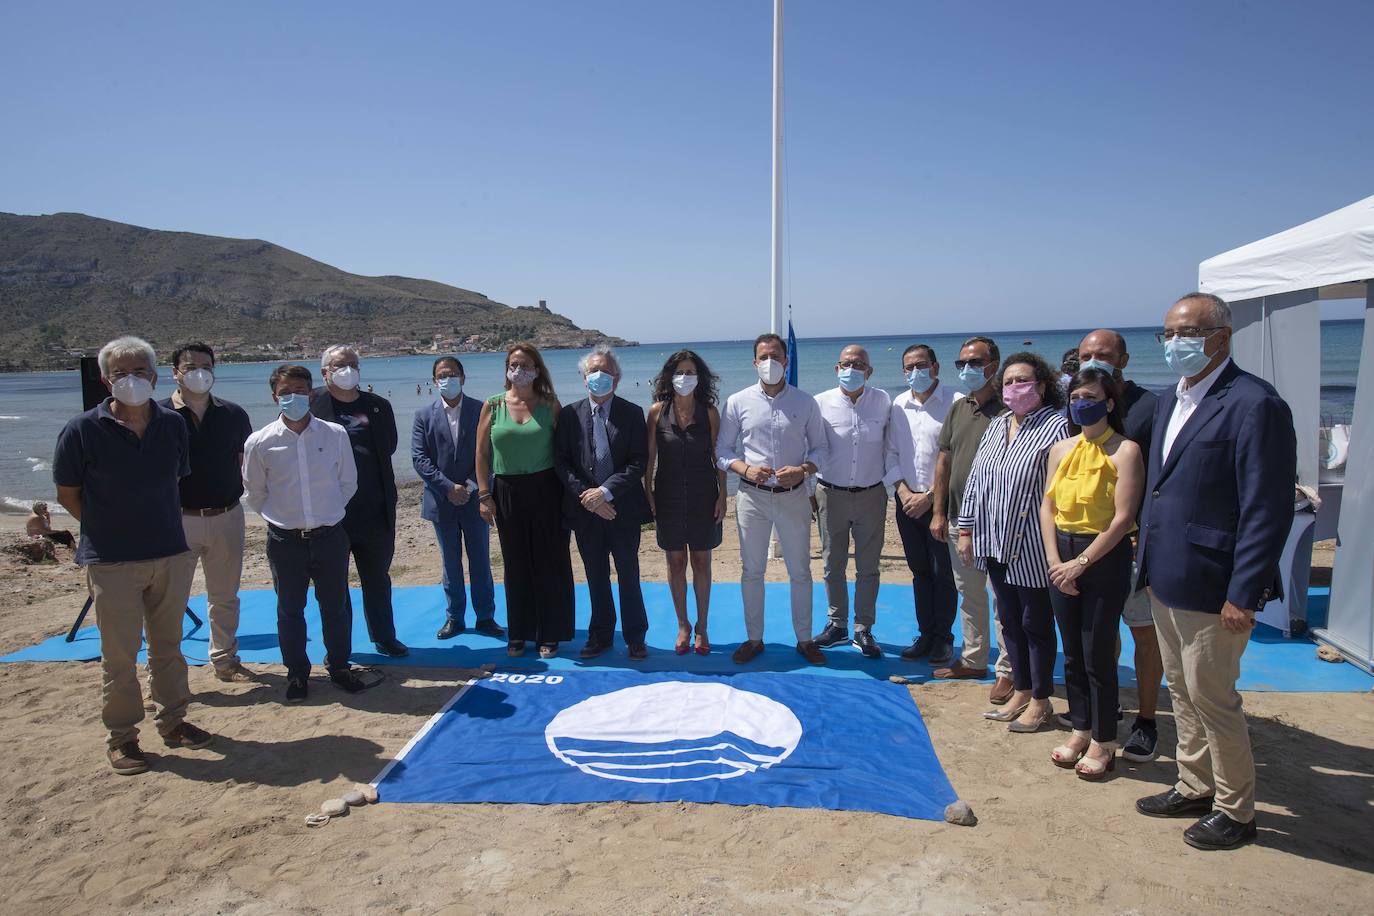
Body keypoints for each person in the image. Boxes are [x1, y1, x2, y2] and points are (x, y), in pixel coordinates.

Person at [1133, 293, 1296, 851]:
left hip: (1213, 585)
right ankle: (1195, 784)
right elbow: (1161, 488)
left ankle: (1237, 809)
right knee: (1182, 690)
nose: (1174, 344)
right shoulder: (1171, 400)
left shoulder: (1254, 403)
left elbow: (1266, 508)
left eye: (1186, 332)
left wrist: (1243, 592)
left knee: (1214, 697)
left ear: (1220, 337)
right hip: (1165, 576)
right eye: (1168, 333)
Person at [52, 336, 215, 774]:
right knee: (120, 655)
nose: (132, 380)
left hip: (168, 552)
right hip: (112, 559)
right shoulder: (82, 429)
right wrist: (106, 525)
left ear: (156, 376)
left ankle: (174, 721)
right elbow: (68, 492)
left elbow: (174, 478)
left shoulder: (171, 425)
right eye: (121, 373)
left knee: (168, 646)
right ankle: (123, 737)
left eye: (139, 371)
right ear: (106, 380)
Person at [244, 364, 373, 702]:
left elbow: (348, 482)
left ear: (311, 393)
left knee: (336, 607)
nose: (294, 397)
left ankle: (340, 667)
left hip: (330, 536)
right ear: (275, 396)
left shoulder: (335, 434)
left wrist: (326, 514)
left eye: (300, 391)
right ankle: (297, 673)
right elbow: (254, 493)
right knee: (289, 609)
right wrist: (285, 518)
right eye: (286, 392)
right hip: (285, 541)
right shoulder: (259, 442)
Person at [958, 352, 1070, 733]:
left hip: (1033, 545)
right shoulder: (998, 424)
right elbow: (975, 479)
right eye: (1007, 381)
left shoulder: (1057, 427)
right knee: (1008, 620)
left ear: (1041, 385)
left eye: (1022, 380)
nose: (1013, 388)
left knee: (1035, 623)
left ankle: (1041, 699)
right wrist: (966, 529)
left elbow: (1061, 490)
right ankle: (1021, 689)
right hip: (993, 541)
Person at [1040, 368, 1143, 778]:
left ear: (1109, 403)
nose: (1081, 403)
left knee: (1097, 651)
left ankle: (1104, 739)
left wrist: (1080, 564)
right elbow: (1048, 507)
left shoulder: (1125, 450)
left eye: (1090, 396)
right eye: (1075, 396)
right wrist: (1054, 561)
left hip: (1101, 556)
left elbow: (1122, 519)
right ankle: (1080, 727)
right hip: (1059, 556)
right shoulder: (1061, 449)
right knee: (1072, 654)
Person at [716, 333, 829, 665]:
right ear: (754, 362)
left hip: (793, 496)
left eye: (776, 357)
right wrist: (745, 469)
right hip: (752, 497)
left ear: (786, 361)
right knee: (752, 570)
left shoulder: (805, 402)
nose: (770, 363)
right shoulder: (737, 402)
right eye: (764, 357)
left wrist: (804, 469)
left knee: (801, 571)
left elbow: (821, 449)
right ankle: (754, 639)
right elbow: (722, 450)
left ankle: (805, 640)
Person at [1077, 328, 1163, 762]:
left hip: (1134, 544)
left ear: (1124, 360)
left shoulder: (1152, 405)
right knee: (1101, 636)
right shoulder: (1077, 403)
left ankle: (1147, 720)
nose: (1095, 359)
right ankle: (1104, 709)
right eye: (1086, 353)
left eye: (1104, 354)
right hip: (1089, 546)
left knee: (1144, 634)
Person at [160, 342, 255, 683]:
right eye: (191, 366)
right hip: (177, 520)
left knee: (225, 596)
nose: (199, 372)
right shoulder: (158, 416)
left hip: (227, 515)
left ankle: (225, 661)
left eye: (206, 366)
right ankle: (164, 672)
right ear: (175, 373)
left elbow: (246, 463)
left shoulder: (233, 414)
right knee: (169, 601)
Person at [476, 343, 576, 658]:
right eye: (514, 364)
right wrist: (483, 493)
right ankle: (518, 633)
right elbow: (481, 452)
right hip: (506, 490)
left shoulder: (550, 404)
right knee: (515, 563)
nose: (519, 370)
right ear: (507, 368)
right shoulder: (492, 405)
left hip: (547, 489)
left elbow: (564, 452)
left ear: (537, 369)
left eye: (526, 364)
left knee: (550, 562)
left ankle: (550, 633)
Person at [929, 336, 1016, 699]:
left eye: (976, 362)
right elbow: (944, 459)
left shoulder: (1011, 410)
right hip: (958, 520)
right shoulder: (959, 407)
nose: (968, 369)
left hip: (998, 522)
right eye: (962, 362)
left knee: (1003, 597)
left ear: (994, 364)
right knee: (969, 593)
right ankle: (974, 658)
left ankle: (1009, 669)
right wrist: (938, 511)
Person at [554, 345, 652, 659]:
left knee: (628, 574)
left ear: (617, 379)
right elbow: (561, 461)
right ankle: (601, 636)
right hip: (585, 512)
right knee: (595, 575)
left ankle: (635, 637)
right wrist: (589, 497)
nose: (599, 376)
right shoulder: (569, 415)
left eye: (606, 371)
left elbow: (639, 462)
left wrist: (605, 493)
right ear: (584, 378)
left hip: (622, 509)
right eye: (593, 371)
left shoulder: (633, 413)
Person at [310, 346, 408, 658]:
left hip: (375, 510)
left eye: (353, 364)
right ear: (325, 372)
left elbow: (389, 447)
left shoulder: (378, 405)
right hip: (331, 513)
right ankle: (339, 646)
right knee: (333, 586)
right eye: (340, 365)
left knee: (377, 579)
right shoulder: (310, 404)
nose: (348, 369)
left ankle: (384, 636)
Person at [411, 356, 503, 640]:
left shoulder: (481, 409)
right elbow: (420, 457)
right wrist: (448, 487)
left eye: (451, 374)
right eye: (441, 375)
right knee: (450, 563)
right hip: (442, 501)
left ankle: (486, 617)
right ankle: (455, 618)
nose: (446, 379)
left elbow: (492, 453)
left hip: (475, 500)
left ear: (463, 378)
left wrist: (473, 487)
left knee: (480, 562)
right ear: (434, 380)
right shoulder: (423, 415)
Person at [811, 345, 891, 659]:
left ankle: (863, 628)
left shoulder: (884, 401)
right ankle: (837, 625)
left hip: (872, 493)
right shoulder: (820, 403)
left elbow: (893, 444)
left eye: (858, 364)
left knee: (869, 566)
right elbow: (811, 447)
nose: (851, 368)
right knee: (833, 564)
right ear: (836, 368)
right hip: (830, 493)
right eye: (845, 363)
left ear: (869, 371)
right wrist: (808, 491)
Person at [645, 350, 726, 655]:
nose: (685, 378)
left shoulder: (710, 413)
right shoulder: (656, 412)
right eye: (680, 372)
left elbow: (719, 458)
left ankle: (702, 627)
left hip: (704, 495)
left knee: (702, 561)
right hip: (667, 496)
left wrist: (722, 495)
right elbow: (650, 459)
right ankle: (683, 624)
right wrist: (648, 493)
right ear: (669, 376)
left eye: (691, 372)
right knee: (675, 562)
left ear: (699, 377)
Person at [886, 344, 958, 666]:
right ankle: (925, 633)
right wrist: (903, 493)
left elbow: (957, 457)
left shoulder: (955, 404)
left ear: (935, 366)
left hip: (940, 503)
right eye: (909, 367)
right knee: (920, 571)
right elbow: (891, 453)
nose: (915, 371)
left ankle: (943, 637)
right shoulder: (898, 405)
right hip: (906, 502)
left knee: (944, 573)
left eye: (921, 365)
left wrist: (929, 497)